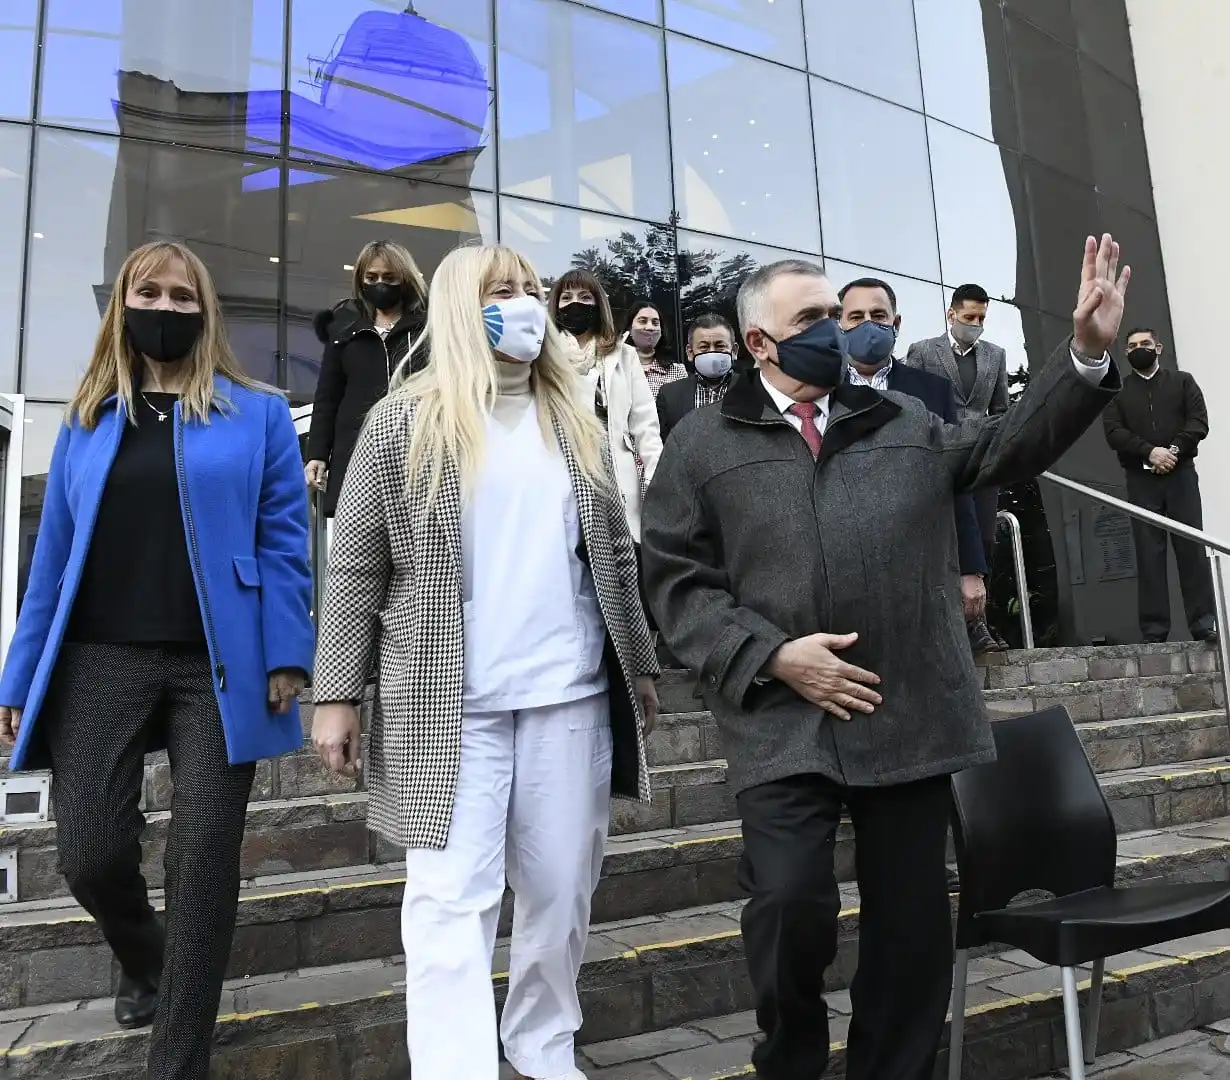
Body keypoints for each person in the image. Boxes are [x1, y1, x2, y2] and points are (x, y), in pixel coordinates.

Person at [641, 235, 1127, 1080]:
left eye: (840, 313)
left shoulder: (903, 419)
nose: (837, 330)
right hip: (783, 718)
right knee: (789, 906)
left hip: (904, 713)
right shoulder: (702, 445)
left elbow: (1009, 442)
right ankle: (789, 1063)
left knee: (910, 933)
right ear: (760, 343)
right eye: (815, 319)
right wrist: (772, 655)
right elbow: (676, 582)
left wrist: (1082, 352)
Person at [310, 243, 659, 1080]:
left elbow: (610, 548)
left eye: (531, 289)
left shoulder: (573, 415)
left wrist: (639, 662)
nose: (527, 304)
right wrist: (336, 693)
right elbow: (357, 562)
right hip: (447, 704)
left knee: (561, 894)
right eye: (503, 291)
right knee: (448, 901)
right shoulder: (403, 419)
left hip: (567, 693)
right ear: (464, 308)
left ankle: (541, 1048)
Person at [0, 241, 313, 1079]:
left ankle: (179, 1062)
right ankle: (145, 957)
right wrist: (19, 677)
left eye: (183, 295)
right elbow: (51, 560)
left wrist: (289, 651)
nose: (167, 308)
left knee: (203, 860)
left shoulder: (258, 414)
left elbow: (284, 542)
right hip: (100, 657)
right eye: (152, 292)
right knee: (90, 853)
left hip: (221, 663)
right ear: (124, 304)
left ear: (205, 309)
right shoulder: (88, 417)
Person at [839, 278, 990, 652]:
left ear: (897, 322)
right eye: (855, 317)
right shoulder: (819, 392)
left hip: (922, 564)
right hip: (844, 565)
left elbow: (956, 480)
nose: (867, 325)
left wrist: (971, 567)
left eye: (878, 315)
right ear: (838, 325)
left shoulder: (931, 390)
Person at [905, 283, 1010, 651]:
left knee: (983, 538)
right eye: (970, 317)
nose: (976, 323)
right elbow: (908, 405)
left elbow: (1001, 411)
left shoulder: (996, 356)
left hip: (981, 461)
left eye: (982, 318)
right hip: (936, 456)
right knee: (941, 540)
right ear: (952, 314)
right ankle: (942, 624)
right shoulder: (922, 352)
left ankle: (978, 623)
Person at [1102, 326, 1217, 643]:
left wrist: (1173, 452)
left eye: (1146, 344)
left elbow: (1198, 422)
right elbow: (1114, 433)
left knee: (1191, 550)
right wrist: (1150, 452)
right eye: (1133, 345)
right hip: (1141, 481)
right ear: (1126, 353)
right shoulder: (1117, 392)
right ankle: (1154, 631)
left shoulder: (1183, 382)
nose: (1140, 348)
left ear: (1159, 348)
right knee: (1148, 555)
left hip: (1181, 477)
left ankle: (1203, 624)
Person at [304, 239, 428, 519]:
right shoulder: (344, 330)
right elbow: (328, 396)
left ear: (405, 279)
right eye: (371, 277)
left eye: (389, 277)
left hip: (415, 452)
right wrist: (318, 453)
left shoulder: (427, 328)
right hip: (357, 452)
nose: (379, 284)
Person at [548, 271, 663, 546]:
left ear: (598, 304)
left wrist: (659, 481)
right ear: (555, 306)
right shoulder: (545, 355)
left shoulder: (624, 354)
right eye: (566, 298)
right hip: (562, 475)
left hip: (615, 478)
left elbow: (646, 425)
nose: (575, 303)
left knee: (620, 562)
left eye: (585, 297)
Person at [656, 313, 738, 443]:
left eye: (719, 346)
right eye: (704, 347)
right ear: (690, 352)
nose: (712, 352)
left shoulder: (754, 390)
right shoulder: (669, 395)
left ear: (734, 351)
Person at [626, 299, 687, 396]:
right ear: (629, 328)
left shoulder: (677, 371)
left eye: (655, 323)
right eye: (642, 321)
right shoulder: (616, 367)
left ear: (661, 331)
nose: (649, 327)